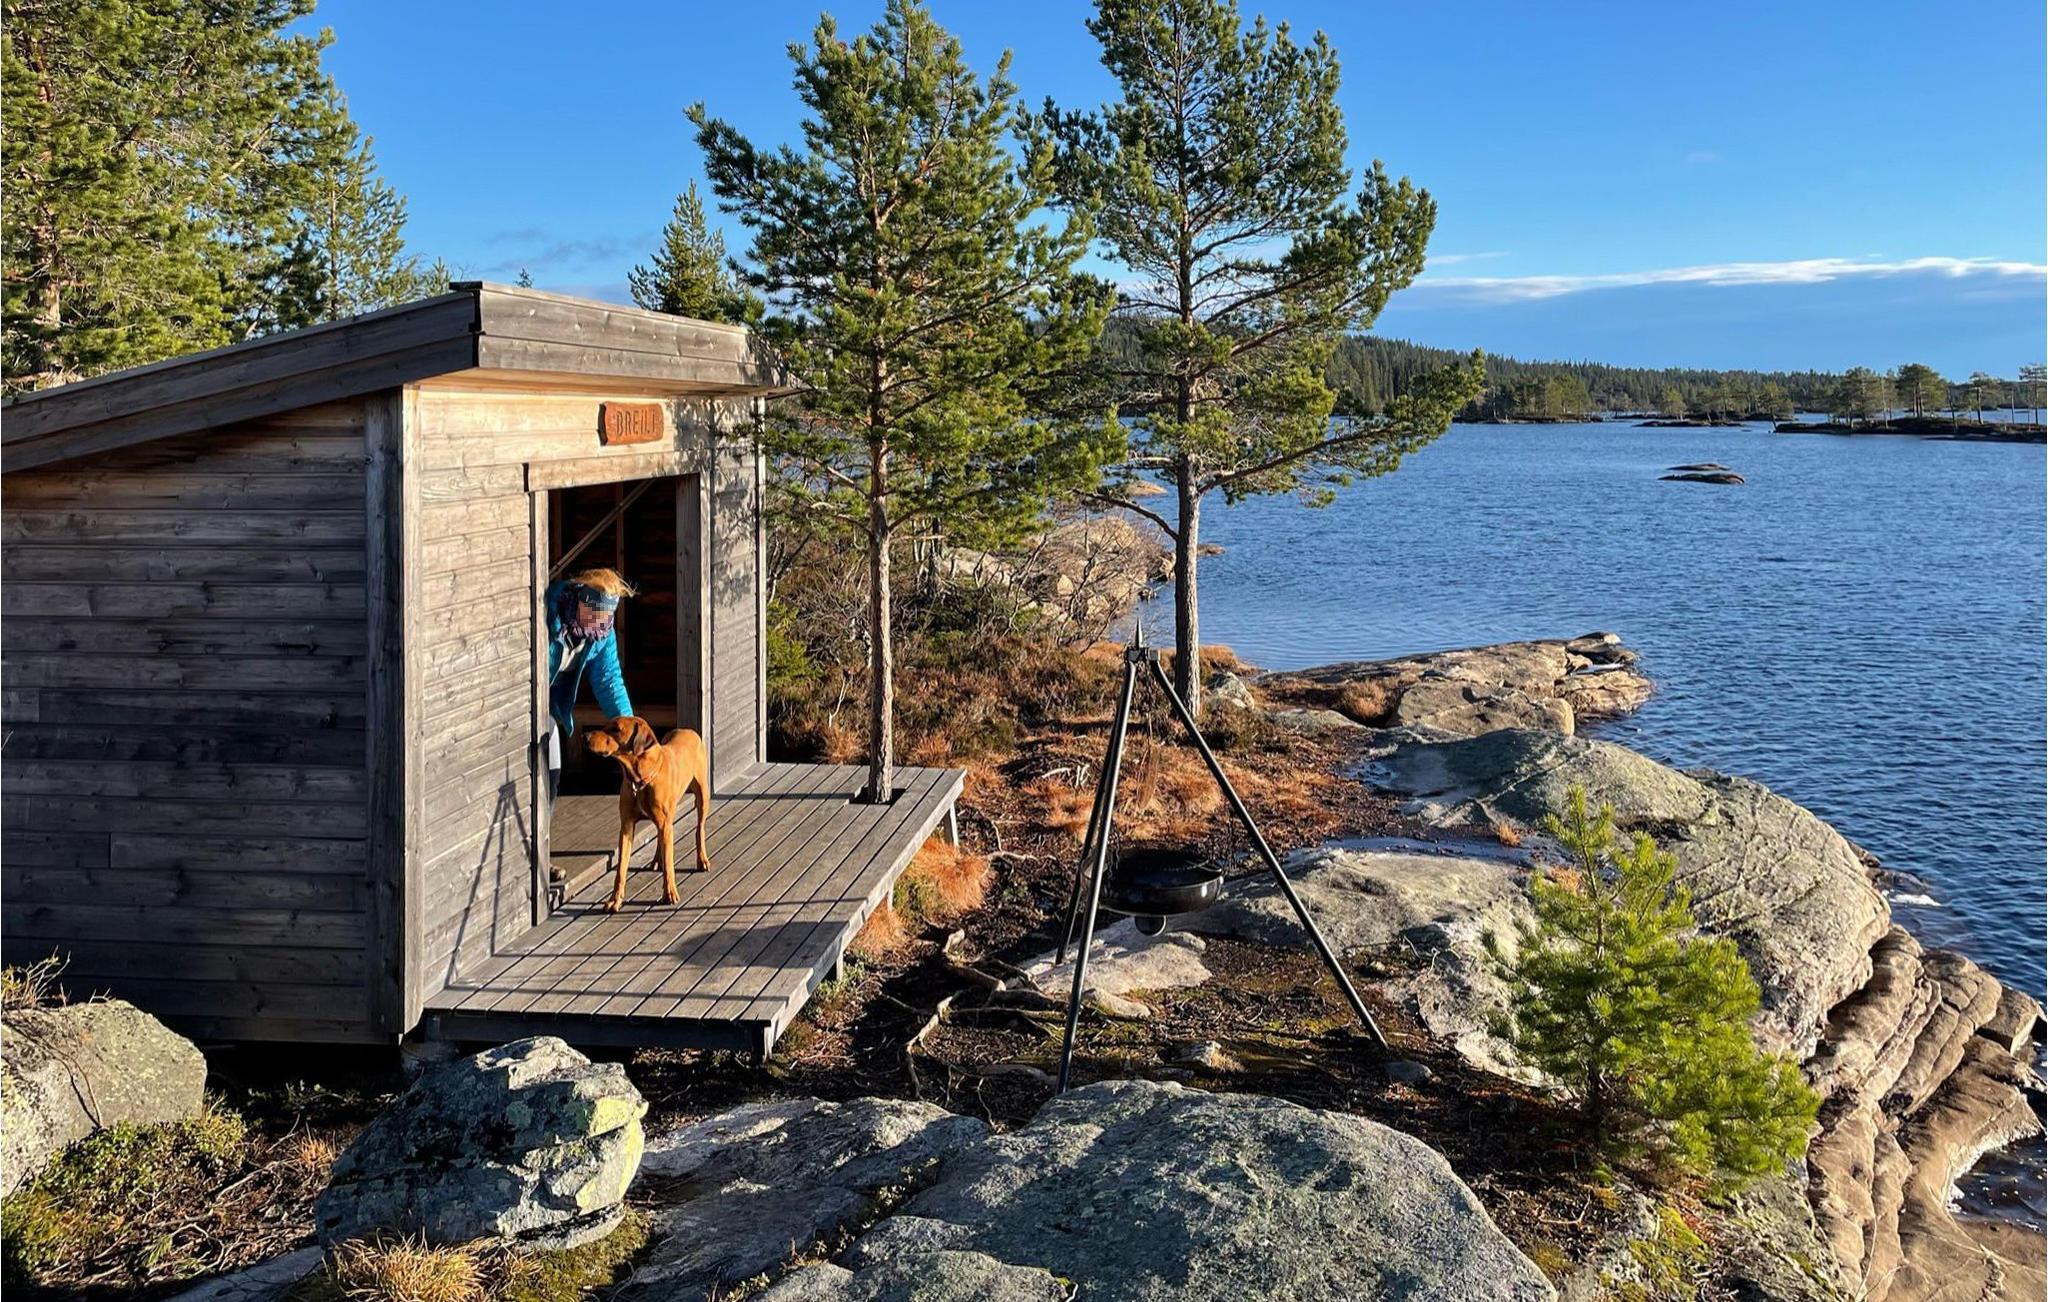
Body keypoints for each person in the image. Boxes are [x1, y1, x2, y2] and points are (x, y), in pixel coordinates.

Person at [544, 567, 636, 794]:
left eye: (605, 616)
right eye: (593, 612)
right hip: (527, 699)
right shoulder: (549, 613)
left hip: (550, 705)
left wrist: (630, 730)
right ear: (579, 600)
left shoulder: (601, 634)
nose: (598, 621)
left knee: (551, 777)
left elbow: (608, 679)